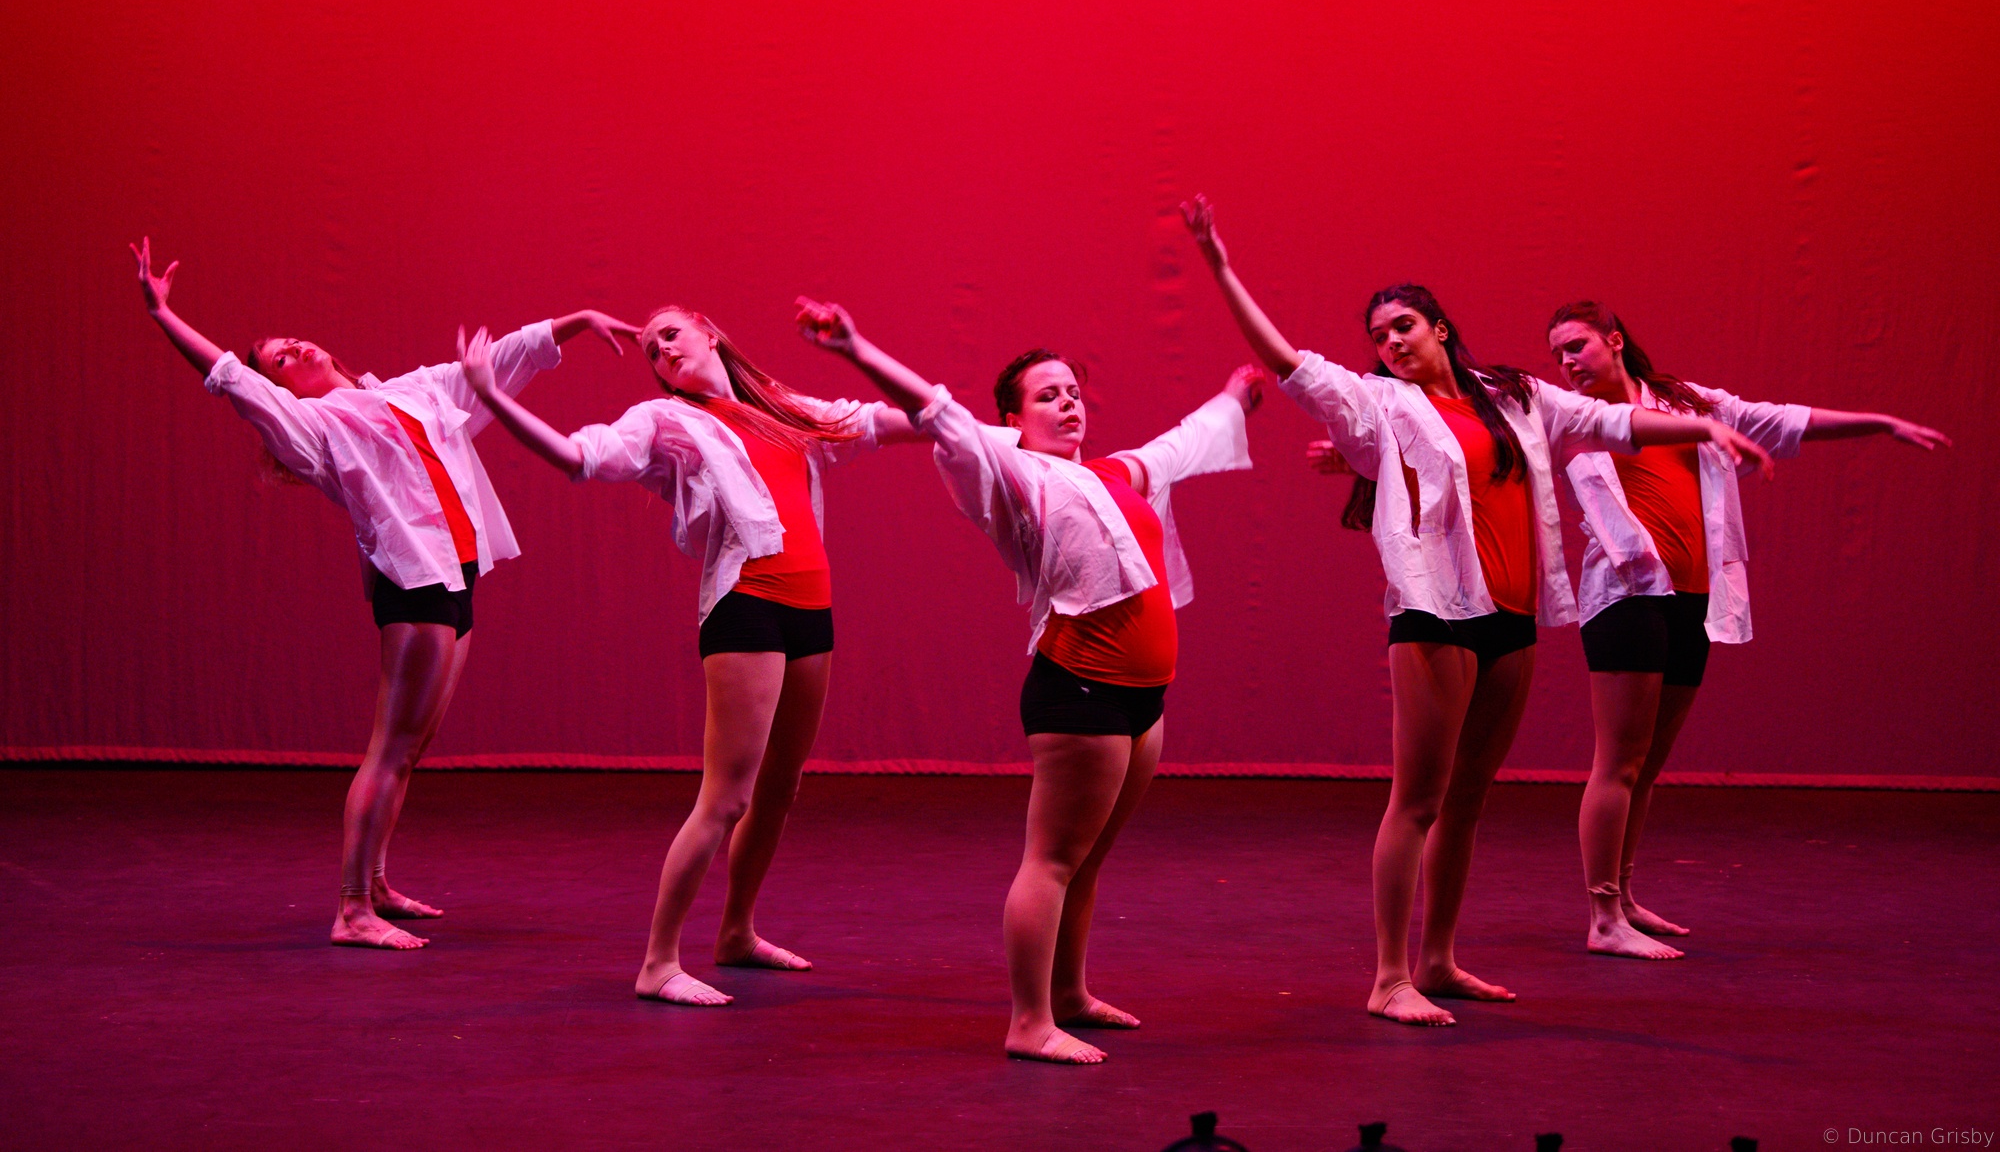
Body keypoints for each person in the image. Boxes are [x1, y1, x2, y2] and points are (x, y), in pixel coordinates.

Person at [1179, 197, 1775, 1026]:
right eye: (1379, 336)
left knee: (1467, 799)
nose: (1391, 342)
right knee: (1417, 798)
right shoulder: (1380, 402)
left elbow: (1608, 419)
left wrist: (1702, 428)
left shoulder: (1514, 394)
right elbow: (1288, 361)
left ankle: (1439, 959)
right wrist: (1219, 265)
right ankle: (1390, 976)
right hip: (1436, 613)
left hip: (1511, 614)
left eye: (1403, 326)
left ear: (1439, 327)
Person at [795, 295, 1262, 1065]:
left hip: (1146, 700)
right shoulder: (1012, 472)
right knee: (1051, 859)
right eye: (1048, 395)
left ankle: (1069, 995)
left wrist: (1233, 397)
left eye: (1073, 391)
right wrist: (855, 346)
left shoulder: (1115, 473)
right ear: (1013, 419)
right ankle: (1028, 1020)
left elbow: (1184, 444)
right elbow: (938, 413)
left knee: (1088, 857)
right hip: (1081, 691)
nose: (1068, 402)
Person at [134, 237, 637, 949]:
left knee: (413, 747)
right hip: (415, 584)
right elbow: (229, 378)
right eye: (279, 360)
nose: (293, 350)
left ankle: (373, 882)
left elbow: (498, 360)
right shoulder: (312, 426)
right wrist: (163, 315)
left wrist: (578, 320)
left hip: (459, 573)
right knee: (389, 748)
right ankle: (349, 908)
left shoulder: (409, 391)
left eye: (291, 341)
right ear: (282, 389)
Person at [455, 304, 920, 1005]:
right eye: (651, 350)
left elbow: (884, 421)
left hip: (813, 607)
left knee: (780, 787)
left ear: (708, 331)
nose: (663, 351)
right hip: (747, 605)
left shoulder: (781, 408)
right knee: (726, 796)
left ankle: (737, 931)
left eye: (669, 334)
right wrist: (491, 394)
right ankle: (658, 962)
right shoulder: (665, 420)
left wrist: (971, 432)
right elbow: (579, 457)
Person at [1543, 301, 1950, 957]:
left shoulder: (1689, 403)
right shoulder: (1571, 419)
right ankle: (1603, 917)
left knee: (1647, 764)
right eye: (1558, 353)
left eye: (1576, 345)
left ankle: (1626, 896)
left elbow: (1781, 420)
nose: (1566, 362)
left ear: (1614, 341)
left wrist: (1877, 422)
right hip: (1626, 598)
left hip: (1694, 598)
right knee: (1617, 761)